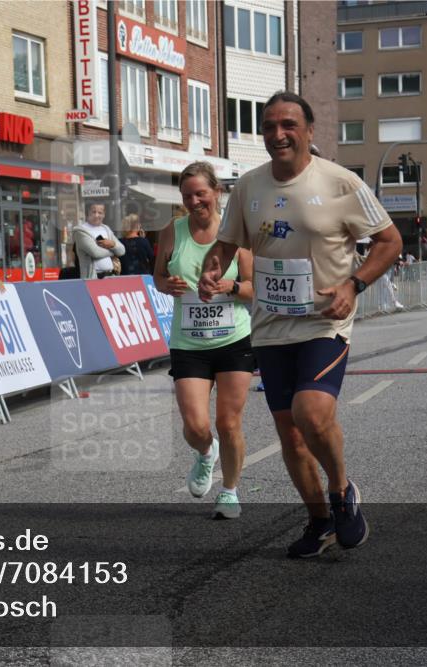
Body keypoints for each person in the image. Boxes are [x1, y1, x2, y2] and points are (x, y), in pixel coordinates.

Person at [200, 91, 402, 557]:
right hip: (270, 327)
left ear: (310, 131)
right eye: (269, 126)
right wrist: (214, 269)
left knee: (312, 413)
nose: (277, 134)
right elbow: (227, 246)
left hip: (324, 322)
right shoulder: (249, 186)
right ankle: (319, 522)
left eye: (288, 124)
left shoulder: (340, 183)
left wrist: (354, 284)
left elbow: (389, 241)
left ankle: (342, 491)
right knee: (290, 432)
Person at [154, 161, 256, 520]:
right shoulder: (173, 230)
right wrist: (168, 285)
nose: (194, 201)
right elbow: (158, 277)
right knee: (196, 426)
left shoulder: (237, 234)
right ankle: (205, 452)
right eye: (187, 195)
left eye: (201, 193)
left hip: (233, 340)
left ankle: (229, 490)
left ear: (217, 192)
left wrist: (230, 286)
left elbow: (254, 289)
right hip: (189, 343)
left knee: (228, 422)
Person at [73, 202, 125, 279]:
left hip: (111, 276)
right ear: (88, 212)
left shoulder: (106, 229)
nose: (96, 215)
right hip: (93, 278)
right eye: (94, 212)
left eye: (100, 212)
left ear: (104, 214)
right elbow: (95, 253)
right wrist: (113, 251)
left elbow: (122, 251)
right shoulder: (81, 231)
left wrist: (113, 244)